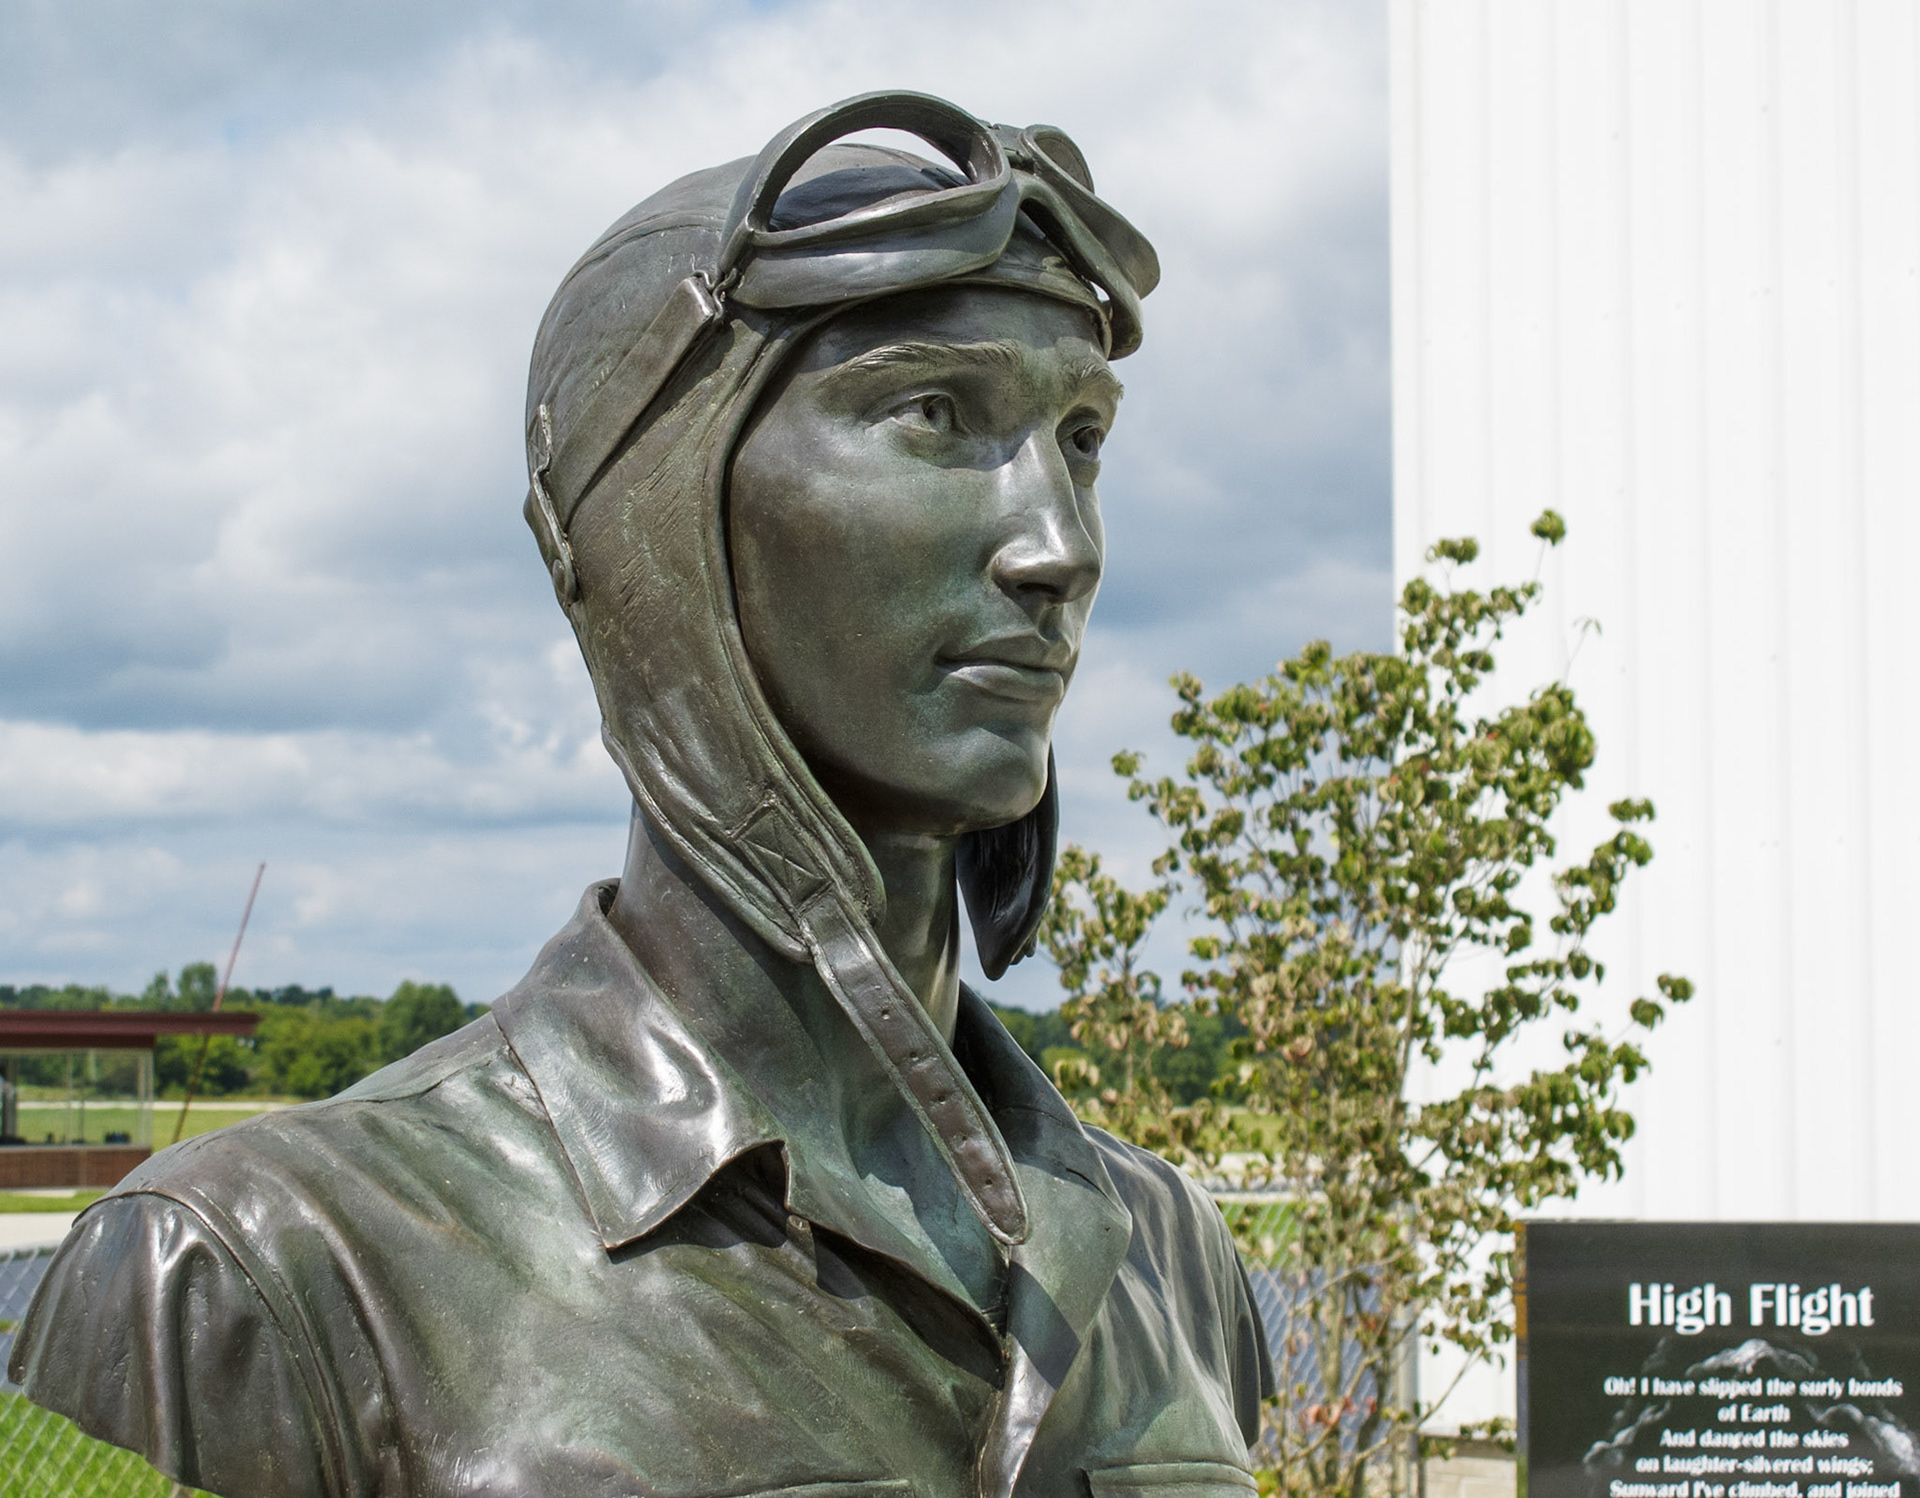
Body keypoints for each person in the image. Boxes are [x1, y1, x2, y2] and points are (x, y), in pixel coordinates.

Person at [11, 92, 1273, 1498]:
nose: (1058, 545)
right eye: (935, 414)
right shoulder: (263, 1274)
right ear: (662, 511)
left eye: (1083, 438)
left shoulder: (1167, 1255)